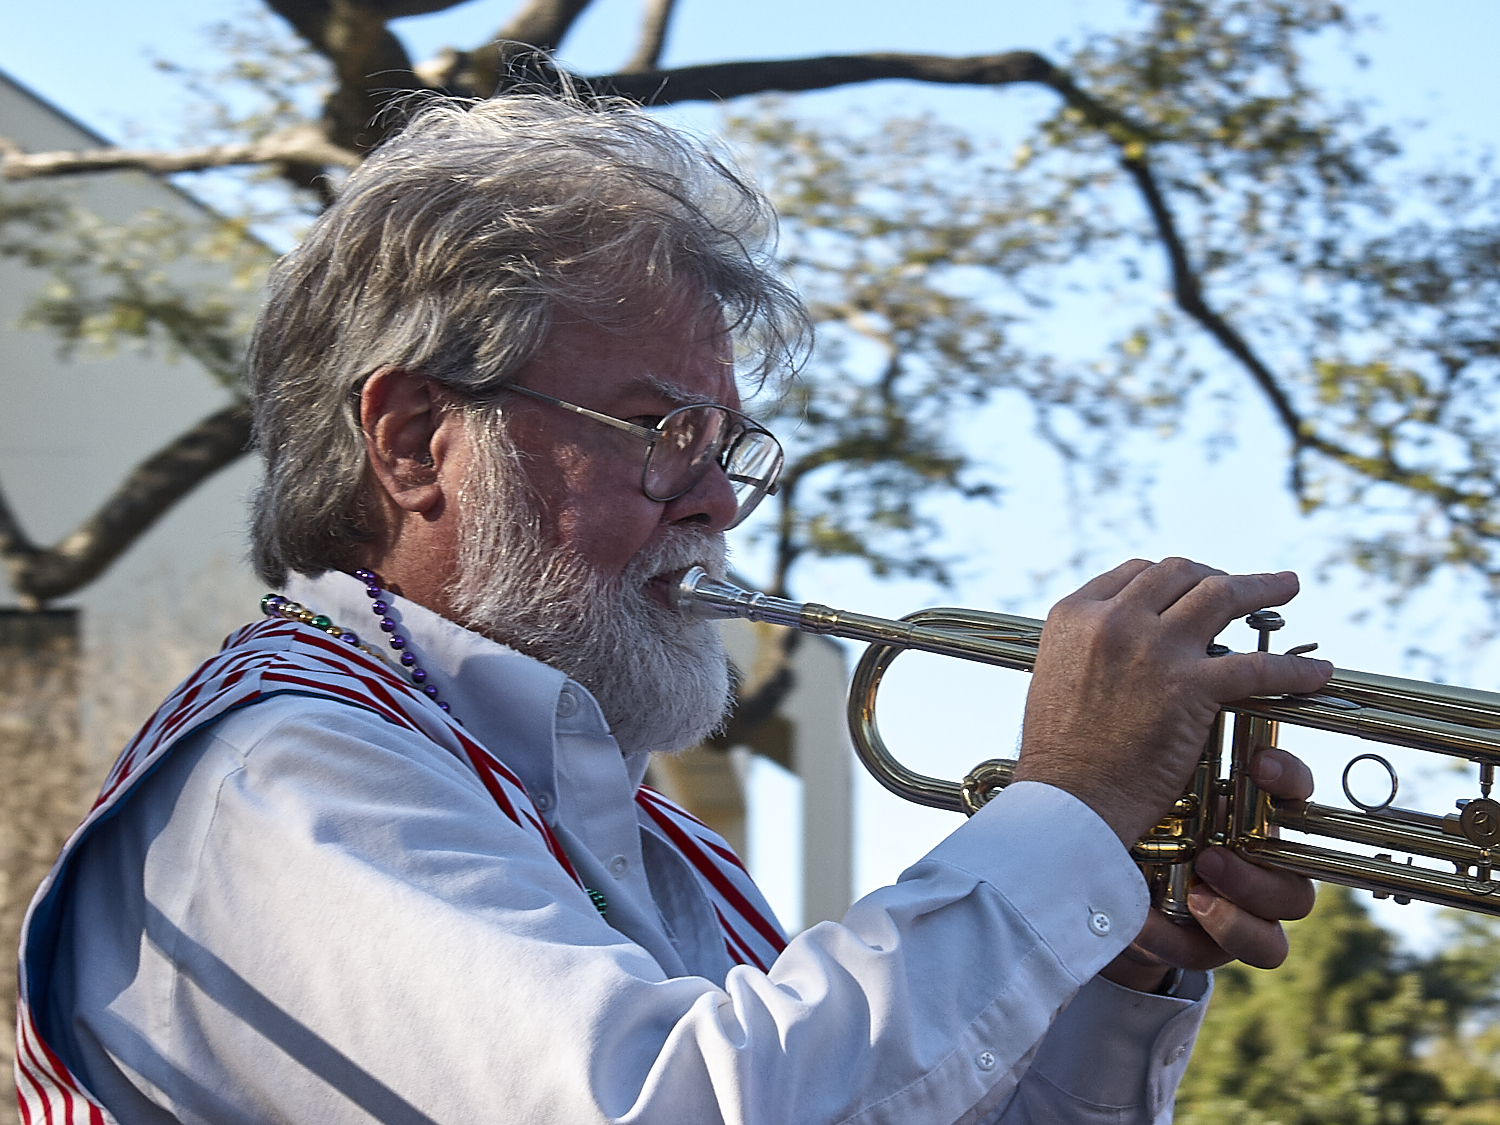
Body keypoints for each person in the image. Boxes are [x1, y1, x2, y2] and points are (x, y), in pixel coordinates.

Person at [15, 92, 1332, 1125]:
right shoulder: (282, 769)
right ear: (416, 442)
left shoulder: (640, 837)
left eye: (726, 446)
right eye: (660, 431)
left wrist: (1115, 951)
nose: (717, 503)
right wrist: (1068, 808)